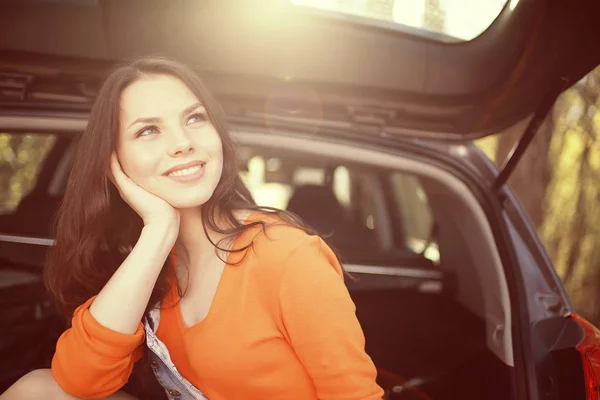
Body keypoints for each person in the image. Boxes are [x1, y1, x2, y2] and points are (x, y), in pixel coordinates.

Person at [1, 57, 384, 400]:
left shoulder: (288, 255)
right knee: (38, 390)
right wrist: (158, 231)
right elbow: (80, 379)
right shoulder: (150, 262)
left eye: (194, 118)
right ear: (115, 162)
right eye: (148, 130)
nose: (183, 143)